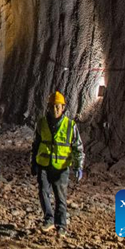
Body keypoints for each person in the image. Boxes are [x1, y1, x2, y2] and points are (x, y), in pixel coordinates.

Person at [31, 91, 84, 236]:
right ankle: (49, 219)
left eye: (57, 107)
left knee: (60, 197)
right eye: (52, 106)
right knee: (43, 192)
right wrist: (33, 162)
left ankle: (61, 225)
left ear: (63, 108)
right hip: (44, 164)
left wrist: (79, 165)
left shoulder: (70, 125)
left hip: (61, 168)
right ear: (48, 107)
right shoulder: (41, 123)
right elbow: (36, 144)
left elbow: (77, 147)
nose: (55, 109)